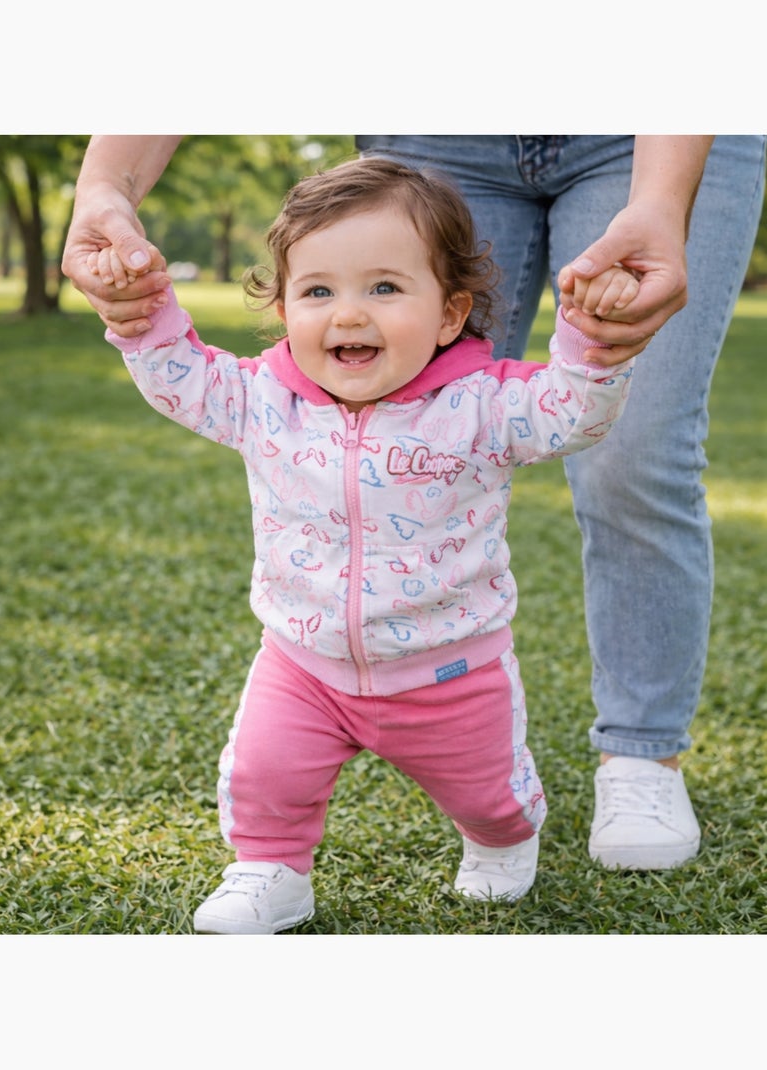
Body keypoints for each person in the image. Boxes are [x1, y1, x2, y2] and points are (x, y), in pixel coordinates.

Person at [62, 134, 767, 873]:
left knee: (490, 797)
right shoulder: (260, 398)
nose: (349, 316)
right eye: (318, 292)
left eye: (385, 290)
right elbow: (182, 378)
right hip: (301, 663)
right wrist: (139, 306)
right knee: (264, 778)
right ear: (281, 306)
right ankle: (268, 870)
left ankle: (619, 768)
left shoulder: (481, 406)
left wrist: (590, 344)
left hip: (451, 670)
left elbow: (568, 414)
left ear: (450, 315)